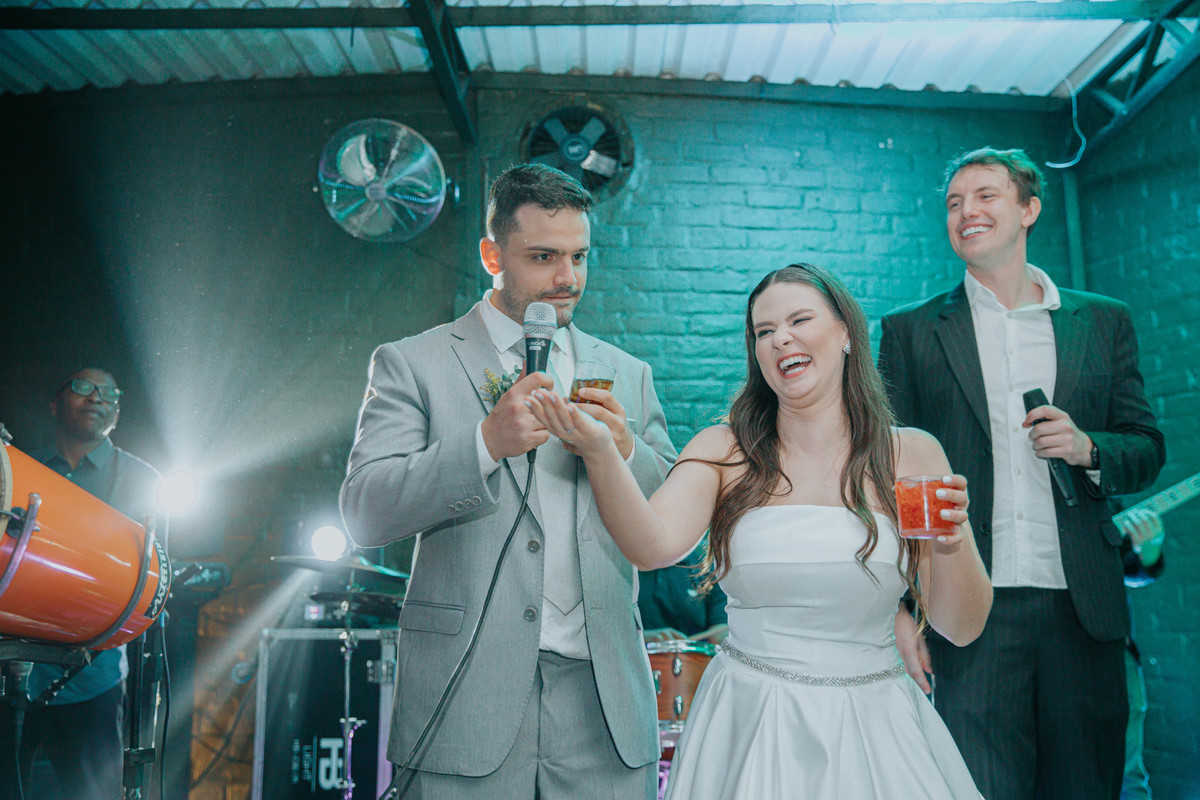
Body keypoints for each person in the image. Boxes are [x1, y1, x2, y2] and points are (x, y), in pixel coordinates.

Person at [527, 263, 993, 799]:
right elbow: (650, 546)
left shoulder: (912, 454)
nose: (781, 339)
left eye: (799, 320)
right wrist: (600, 452)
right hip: (748, 721)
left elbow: (963, 627)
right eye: (764, 331)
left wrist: (951, 542)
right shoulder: (723, 450)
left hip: (877, 725)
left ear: (845, 331)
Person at [339, 163, 677, 799]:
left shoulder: (628, 373)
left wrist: (625, 450)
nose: (567, 278)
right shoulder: (413, 363)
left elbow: (672, 524)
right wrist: (485, 444)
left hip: (604, 708)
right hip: (464, 698)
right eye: (544, 257)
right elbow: (365, 512)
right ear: (492, 255)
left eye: (579, 256)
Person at [878, 147, 1166, 800]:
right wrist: (899, 608)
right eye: (954, 203)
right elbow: (888, 478)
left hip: (1083, 610)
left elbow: (1147, 448)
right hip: (966, 612)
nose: (966, 212)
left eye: (985, 196)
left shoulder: (1103, 321)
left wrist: (1088, 446)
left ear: (1029, 209)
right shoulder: (911, 333)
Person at [0, 368, 162, 800]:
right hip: (11, 669)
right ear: (55, 403)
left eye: (109, 392)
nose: (96, 397)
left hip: (92, 678)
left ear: (117, 412)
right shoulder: (20, 469)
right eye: (83, 387)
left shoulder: (141, 479)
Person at [1115, 505, 1165, 800]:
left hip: (1112, 653)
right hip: (1038, 651)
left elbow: (1133, 571)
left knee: (1127, 776)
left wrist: (1150, 546)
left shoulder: (1099, 490)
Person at [639, 541, 728, 645]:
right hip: (633, 653)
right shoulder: (625, 566)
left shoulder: (708, 570)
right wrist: (641, 638)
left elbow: (719, 632)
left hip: (693, 654)